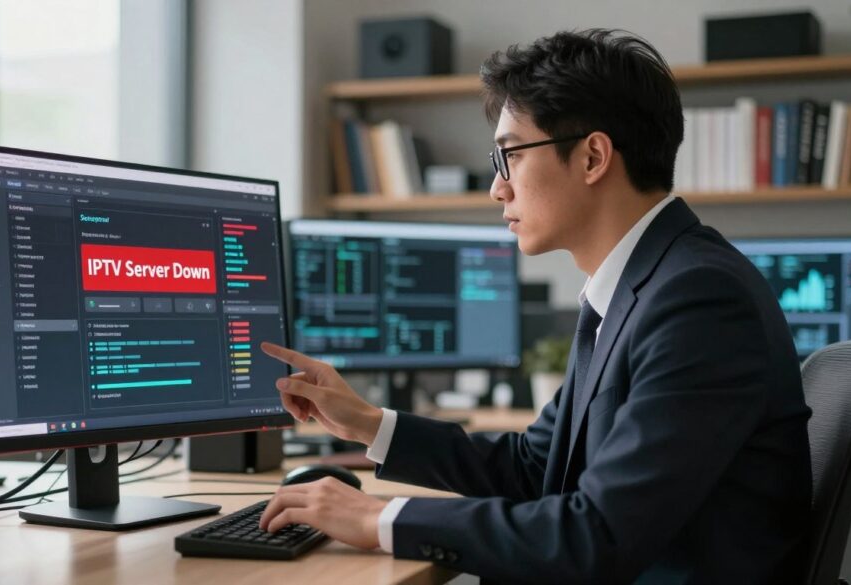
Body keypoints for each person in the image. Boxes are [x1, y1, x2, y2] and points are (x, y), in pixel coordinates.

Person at [259, 29, 811, 584]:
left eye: (510, 155)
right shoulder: (642, 284)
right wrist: (373, 425)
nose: (498, 188)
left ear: (593, 156)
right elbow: (536, 466)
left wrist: (380, 517)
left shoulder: (698, 300)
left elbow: (597, 536)